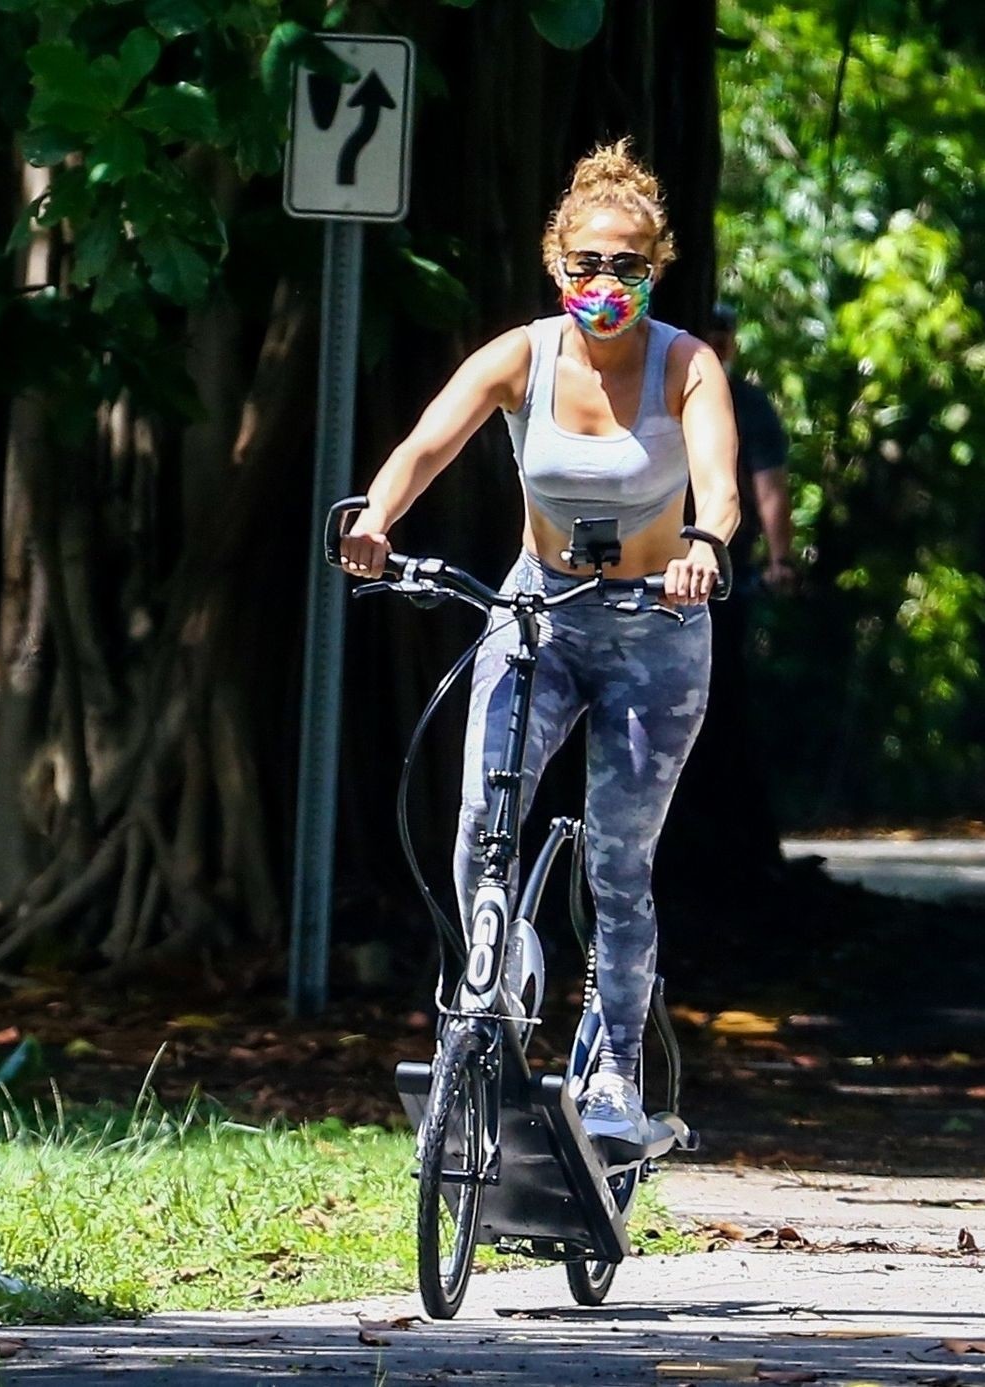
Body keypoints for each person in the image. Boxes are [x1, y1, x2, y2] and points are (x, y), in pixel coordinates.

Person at [337, 139, 740, 1146]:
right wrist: (376, 518)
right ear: (557, 262)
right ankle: (492, 969)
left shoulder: (686, 365)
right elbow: (426, 443)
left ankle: (614, 1075)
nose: (607, 283)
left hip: (656, 628)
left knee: (617, 861)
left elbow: (721, 486)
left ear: (657, 269)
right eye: (589, 263)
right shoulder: (523, 355)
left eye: (629, 266)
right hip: (539, 614)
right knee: (484, 810)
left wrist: (704, 545)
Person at [704, 304, 795, 594]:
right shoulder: (662, 392)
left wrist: (780, 561)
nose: (716, 353)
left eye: (721, 344)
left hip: (729, 559)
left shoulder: (750, 405)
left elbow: (770, 489)